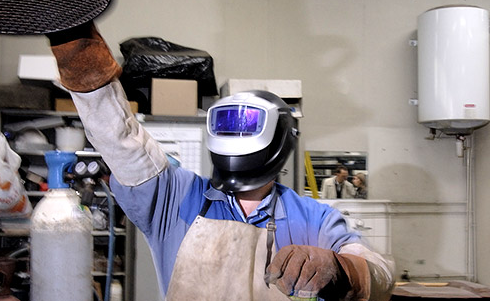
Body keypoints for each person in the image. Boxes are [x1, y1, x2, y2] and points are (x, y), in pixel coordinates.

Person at [47, 22, 395, 300]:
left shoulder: (316, 219)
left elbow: (381, 274)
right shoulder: (175, 197)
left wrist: (342, 269)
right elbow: (121, 142)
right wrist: (71, 30)